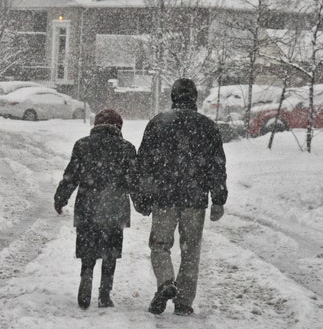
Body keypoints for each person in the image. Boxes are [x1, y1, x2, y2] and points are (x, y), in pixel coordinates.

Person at [135, 78, 228, 316]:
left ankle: (166, 281)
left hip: (164, 196)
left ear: (173, 97)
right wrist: (218, 198)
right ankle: (184, 301)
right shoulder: (207, 126)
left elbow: (144, 163)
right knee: (191, 249)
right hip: (195, 199)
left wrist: (143, 196)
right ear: (195, 97)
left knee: (160, 244)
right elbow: (217, 165)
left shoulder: (158, 123)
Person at [54, 109, 138, 309]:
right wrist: (142, 203)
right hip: (115, 207)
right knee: (111, 250)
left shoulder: (83, 145)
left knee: (88, 247)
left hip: (87, 206)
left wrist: (60, 198)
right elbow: (133, 181)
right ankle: (104, 293)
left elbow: (71, 176)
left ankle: (86, 275)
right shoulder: (127, 148)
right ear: (119, 127)